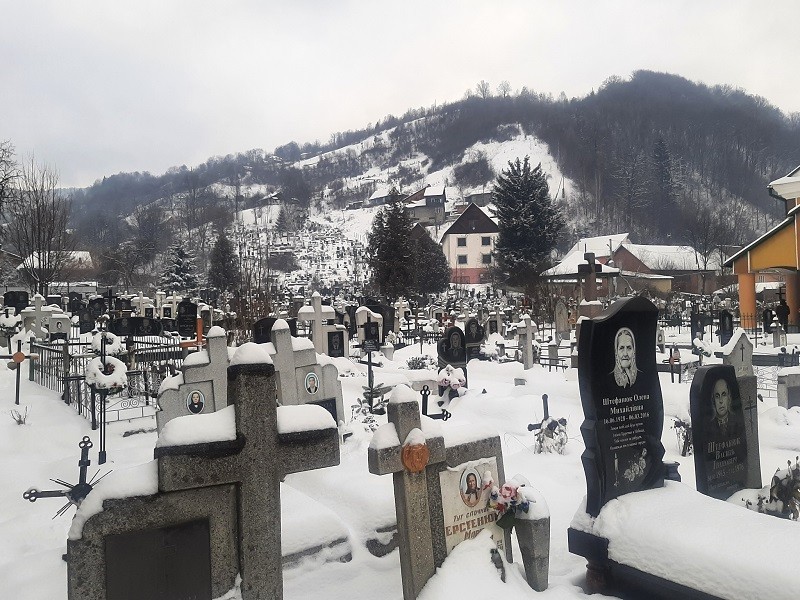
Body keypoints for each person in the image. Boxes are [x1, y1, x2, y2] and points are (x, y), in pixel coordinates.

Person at [707, 378, 744, 442]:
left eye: (724, 395)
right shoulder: (708, 427)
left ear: (729, 397)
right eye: (717, 396)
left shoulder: (738, 423)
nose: (721, 401)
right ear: (713, 400)